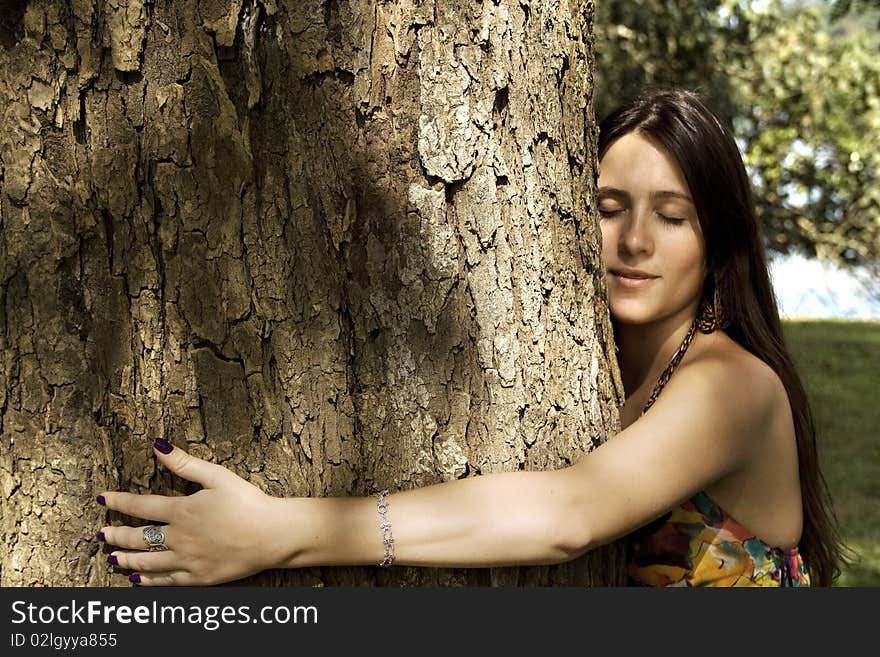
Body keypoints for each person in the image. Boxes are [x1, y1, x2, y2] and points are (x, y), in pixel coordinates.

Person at [95, 88, 849, 587]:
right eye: (610, 206)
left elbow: (567, 515)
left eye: (673, 215)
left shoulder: (731, 384)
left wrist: (281, 532)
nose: (636, 240)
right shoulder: (618, 367)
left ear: (718, 242)